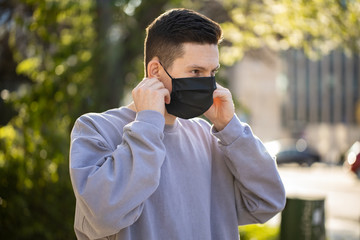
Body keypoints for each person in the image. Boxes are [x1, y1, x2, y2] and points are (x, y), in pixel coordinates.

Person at [69, 8, 286, 240]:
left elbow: (268, 201)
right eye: (195, 71)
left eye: (212, 72)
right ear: (155, 71)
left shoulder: (210, 138)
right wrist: (149, 125)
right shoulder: (96, 130)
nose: (208, 83)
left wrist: (230, 128)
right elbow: (101, 217)